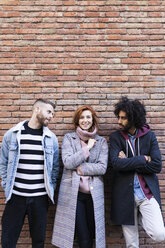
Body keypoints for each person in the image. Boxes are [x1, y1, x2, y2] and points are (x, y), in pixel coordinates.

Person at [0, 98, 59, 248]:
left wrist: (48, 191)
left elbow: (55, 168)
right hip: (16, 197)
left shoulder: (51, 139)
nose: (51, 116)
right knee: (8, 240)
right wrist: (7, 186)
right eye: (49, 112)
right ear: (37, 109)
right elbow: (4, 163)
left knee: (38, 241)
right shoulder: (12, 134)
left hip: (40, 199)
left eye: (53, 113)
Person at [109, 96, 165, 248]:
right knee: (132, 244)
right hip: (125, 196)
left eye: (123, 118)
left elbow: (156, 166)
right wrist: (142, 159)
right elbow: (115, 164)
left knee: (160, 234)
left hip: (146, 193)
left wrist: (127, 160)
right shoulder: (115, 138)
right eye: (118, 117)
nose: (119, 121)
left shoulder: (149, 136)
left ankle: (141, 218)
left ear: (134, 119)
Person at [52, 105, 108, 248]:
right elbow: (68, 162)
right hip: (74, 194)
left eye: (88, 117)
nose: (85, 120)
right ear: (77, 121)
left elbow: (102, 167)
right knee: (83, 236)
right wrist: (87, 148)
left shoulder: (101, 142)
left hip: (94, 196)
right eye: (82, 117)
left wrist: (82, 168)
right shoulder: (69, 138)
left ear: (93, 120)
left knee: (92, 234)